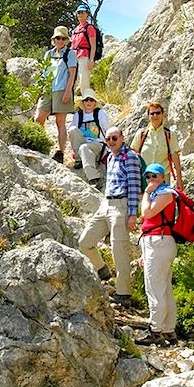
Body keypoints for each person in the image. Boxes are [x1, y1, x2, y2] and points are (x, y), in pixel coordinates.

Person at [78, 126, 141, 304]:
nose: (111, 142)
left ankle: (123, 293)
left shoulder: (130, 157)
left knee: (119, 250)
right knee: (85, 242)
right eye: (108, 139)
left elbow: (135, 186)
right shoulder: (111, 157)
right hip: (106, 203)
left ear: (122, 138)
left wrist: (132, 214)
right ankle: (102, 269)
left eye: (114, 138)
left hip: (121, 205)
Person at [135, 163, 178, 346]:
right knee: (164, 287)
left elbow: (147, 212)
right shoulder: (160, 193)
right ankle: (168, 330)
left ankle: (155, 330)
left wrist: (145, 193)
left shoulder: (165, 193)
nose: (151, 180)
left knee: (154, 288)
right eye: (148, 177)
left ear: (162, 177)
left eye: (154, 176)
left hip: (159, 242)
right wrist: (144, 254)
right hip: (156, 243)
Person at [36, 26, 77, 164]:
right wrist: (40, 88)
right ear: (54, 39)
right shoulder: (48, 54)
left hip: (61, 90)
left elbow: (72, 74)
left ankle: (60, 152)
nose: (60, 40)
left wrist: (67, 92)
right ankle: (39, 145)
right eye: (58, 38)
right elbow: (44, 72)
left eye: (63, 38)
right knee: (38, 118)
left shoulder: (70, 54)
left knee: (60, 122)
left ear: (66, 40)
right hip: (47, 89)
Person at [130, 101, 184, 192]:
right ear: (148, 116)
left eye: (158, 113)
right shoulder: (141, 134)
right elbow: (133, 153)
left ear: (163, 114)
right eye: (152, 113)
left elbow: (175, 156)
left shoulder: (169, 135)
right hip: (144, 177)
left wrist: (179, 178)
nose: (155, 116)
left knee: (163, 203)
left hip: (163, 177)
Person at [68, 88, 109, 187]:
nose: (89, 102)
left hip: (97, 145)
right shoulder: (78, 115)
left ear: (95, 102)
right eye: (86, 99)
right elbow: (73, 133)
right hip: (82, 145)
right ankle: (79, 160)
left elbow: (107, 130)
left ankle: (94, 178)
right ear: (83, 102)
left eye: (91, 100)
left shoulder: (100, 113)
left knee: (84, 147)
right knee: (73, 129)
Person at [71, 4, 98, 93]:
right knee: (73, 81)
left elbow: (93, 45)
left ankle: (86, 103)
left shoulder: (89, 28)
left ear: (87, 14)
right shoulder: (75, 30)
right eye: (78, 12)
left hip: (84, 57)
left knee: (84, 82)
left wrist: (91, 60)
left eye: (82, 12)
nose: (80, 14)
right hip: (74, 58)